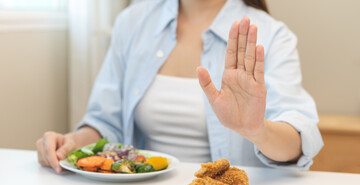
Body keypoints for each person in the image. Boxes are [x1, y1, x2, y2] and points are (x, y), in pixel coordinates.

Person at [36, 0, 323, 173]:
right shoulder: (132, 22)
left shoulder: (273, 36)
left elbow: (299, 140)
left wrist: (256, 129)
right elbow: (105, 124)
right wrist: (71, 144)